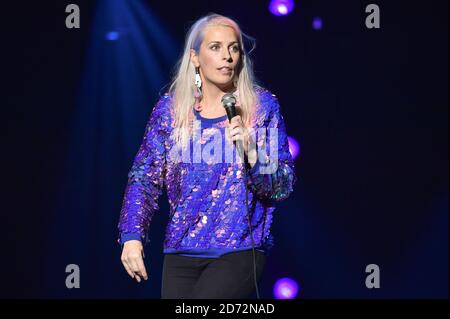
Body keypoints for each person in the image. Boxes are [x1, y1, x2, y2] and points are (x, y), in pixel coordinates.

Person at [117, 13, 296, 299]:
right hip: (180, 250)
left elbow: (283, 186)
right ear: (195, 57)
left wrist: (253, 153)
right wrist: (132, 236)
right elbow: (144, 177)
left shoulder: (262, 106)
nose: (227, 56)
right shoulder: (170, 110)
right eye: (215, 47)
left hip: (238, 250)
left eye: (233, 48)